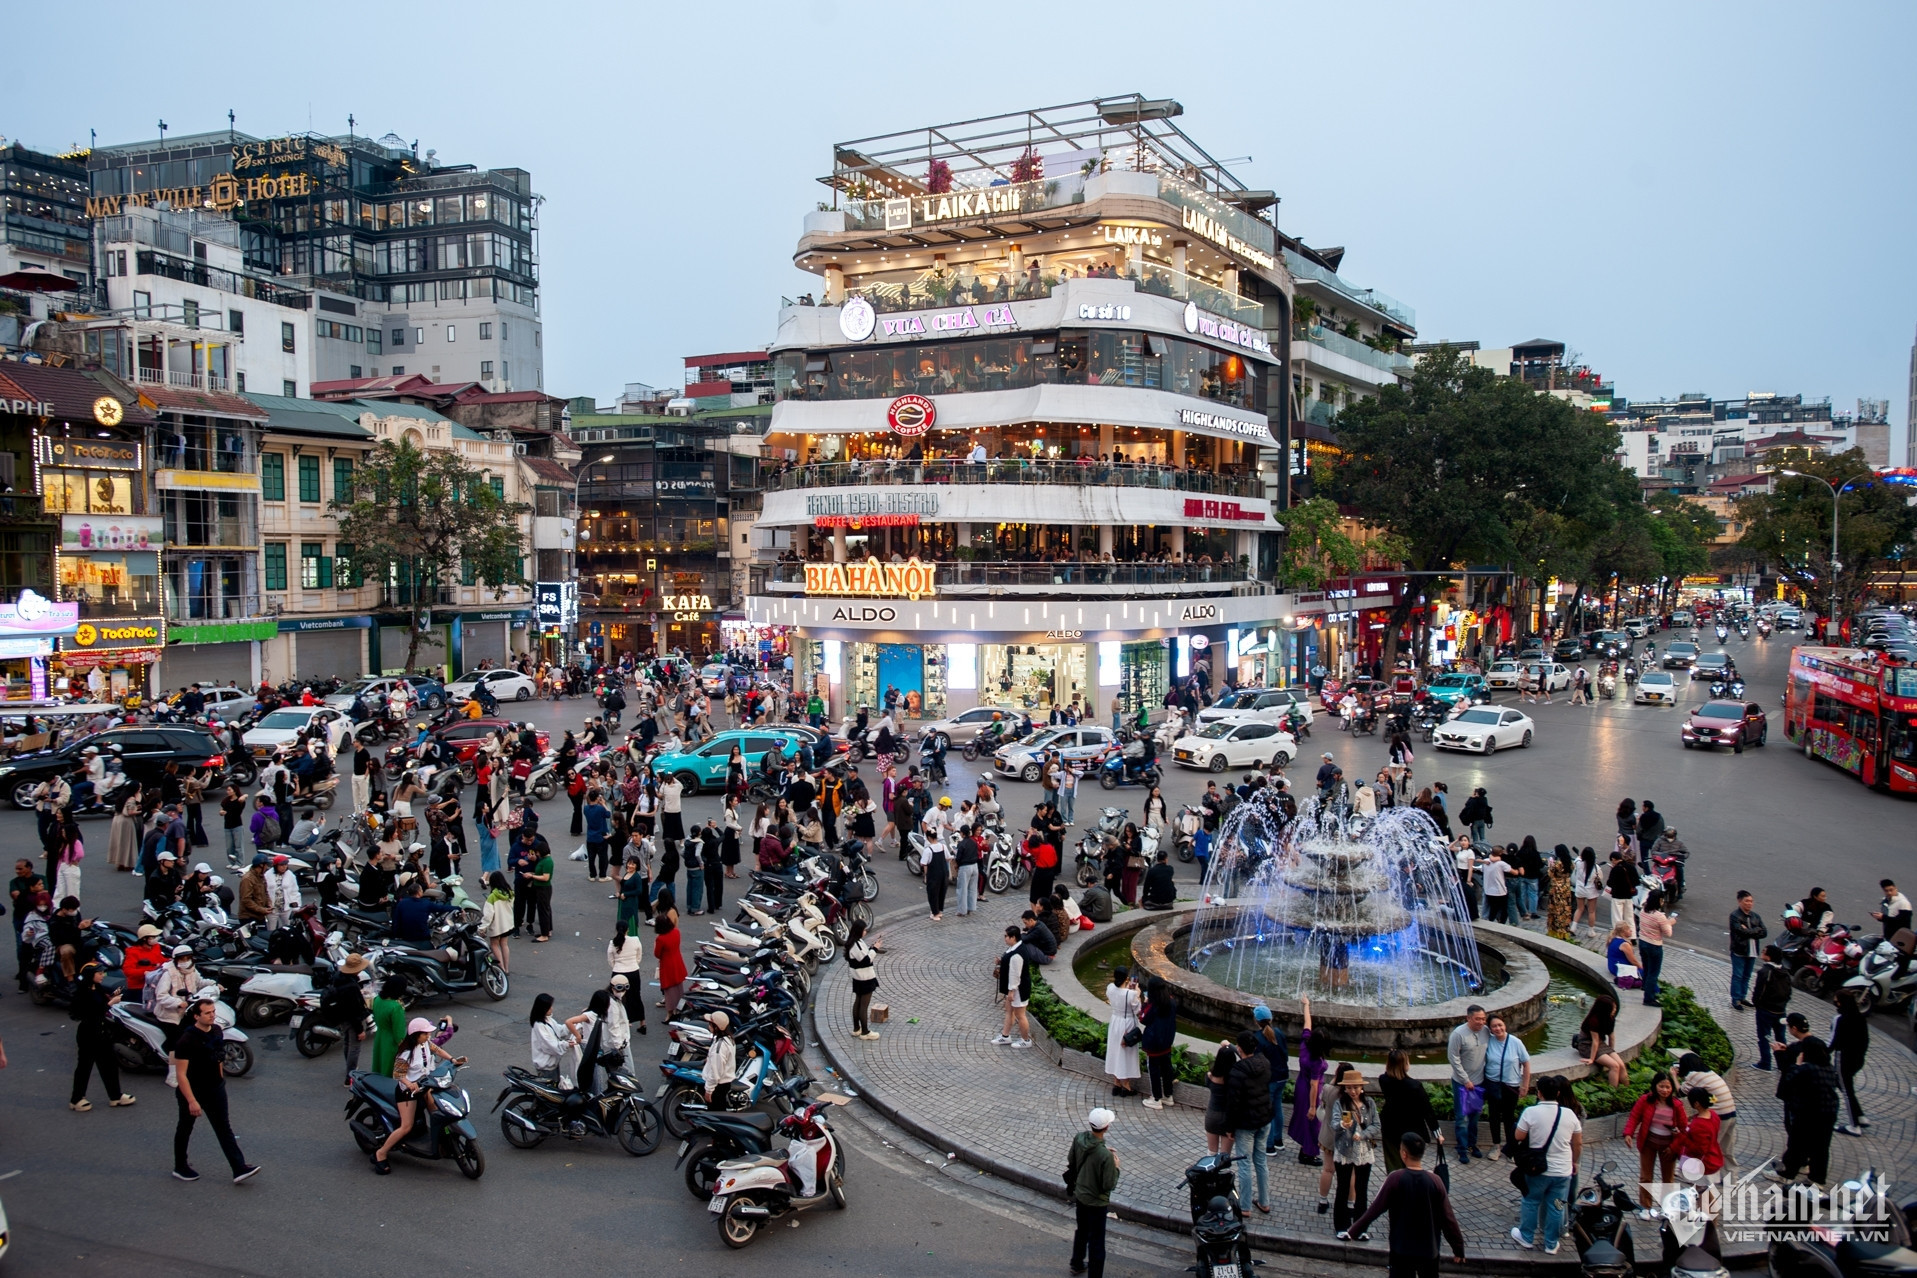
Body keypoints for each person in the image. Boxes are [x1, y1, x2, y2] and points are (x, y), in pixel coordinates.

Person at [1340, 1132, 1467, 1273]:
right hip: (1429, 1249)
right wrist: (1458, 1248)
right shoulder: (1435, 1181)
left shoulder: (1395, 1179)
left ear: (1404, 1154)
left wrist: (1353, 1231)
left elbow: (1374, 1210)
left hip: (1401, 1249)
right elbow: (1448, 1219)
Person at [169, 997, 260, 1183]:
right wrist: (192, 1101)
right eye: (207, 1013)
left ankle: (238, 1167)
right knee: (185, 1128)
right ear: (196, 1016)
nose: (212, 1016)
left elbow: (218, 1057)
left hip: (215, 1089)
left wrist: (220, 1080)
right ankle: (180, 1166)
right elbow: (181, 1075)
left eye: (213, 1012)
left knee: (223, 1127)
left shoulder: (217, 1031)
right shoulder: (186, 1040)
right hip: (193, 1091)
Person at [372, 1016, 464, 1173]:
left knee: (439, 1115)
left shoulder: (426, 1043)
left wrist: (453, 1059)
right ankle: (380, 1153)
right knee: (406, 1127)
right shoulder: (406, 1053)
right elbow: (398, 1074)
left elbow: (437, 1049)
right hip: (408, 1093)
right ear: (416, 1034)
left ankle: (443, 1144)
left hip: (426, 1086)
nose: (429, 1036)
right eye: (425, 1034)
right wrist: (410, 1084)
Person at [1509, 1075, 1581, 1254]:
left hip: (1537, 1169)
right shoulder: (1569, 1114)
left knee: (1531, 1201)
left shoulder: (1530, 1112)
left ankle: (1526, 1237)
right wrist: (1575, 1162)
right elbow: (1578, 1142)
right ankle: (1551, 1243)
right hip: (1563, 1171)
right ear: (1557, 1093)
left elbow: (1518, 1136)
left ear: (1539, 1093)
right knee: (1557, 1205)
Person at [1770, 1038, 1840, 1188]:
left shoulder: (1807, 1069)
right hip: (1829, 1113)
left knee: (1797, 1145)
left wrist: (1796, 1063)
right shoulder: (1828, 1067)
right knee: (1821, 1149)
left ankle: (1787, 1174)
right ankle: (1817, 1179)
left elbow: (1789, 1078)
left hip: (1808, 1114)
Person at [68, 963, 136, 1112]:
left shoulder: (97, 988)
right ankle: (77, 1098)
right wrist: (111, 1003)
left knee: (109, 1065)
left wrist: (111, 998)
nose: (102, 975)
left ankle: (115, 1096)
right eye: (99, 973)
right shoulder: (82, 993)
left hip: (102, 1032)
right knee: (85, 1067)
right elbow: (91, 1012)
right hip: (88, 1034)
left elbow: (100, 1004)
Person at [1622, 1072, 1689, 1217]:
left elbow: (1684, 1129)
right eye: (1661, 1086)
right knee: (1646, 1177)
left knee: (1668, 1179)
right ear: (1655, 1086)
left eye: (1668, 1087)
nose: (1665, 1090)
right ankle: (1645, 1206)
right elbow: (1634, 1116)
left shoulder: (1677, 1105)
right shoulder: (1645, 1101)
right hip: (1648, 1144)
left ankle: (1667, 1207)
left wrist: (1674, 1147)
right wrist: (1628, 1133)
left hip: (1668, 1147)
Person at [1066, 1107, 1120, 1278]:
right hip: (1097, 1203)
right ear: (1106, 1127)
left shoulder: (1079, 1138)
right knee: (1097, 1242)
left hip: (1081, 1194)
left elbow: (1071, 1160)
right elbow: (1108, 1185)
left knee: (1081, 1230)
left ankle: (1077, 1263)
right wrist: (1116, 1168)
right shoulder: (1105, 1156)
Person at [1329, 1066, 1381, 1236]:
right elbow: (1334, 1124)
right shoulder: (1340, 1103)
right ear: (1344, 1088)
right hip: (1344, 1150)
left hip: (1364, 1151)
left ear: (1362, 1087)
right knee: (1343, 1189)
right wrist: (1343, 1125)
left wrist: (1363, 1134)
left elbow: (1376, 1125)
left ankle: (1361, 1228)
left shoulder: (1369, 1103)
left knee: (1362, 1189)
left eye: (1355, 1087)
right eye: (1349, 1088)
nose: (1353, 1091)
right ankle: (1341, 1227)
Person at [1228, 1030, 1275, 1213]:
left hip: (1246, 1124)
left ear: (1239, 1048)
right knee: (1261, 1161)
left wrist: (1229, 1128)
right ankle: (1264, 1202)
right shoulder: (1264, 1063)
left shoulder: (1237, 1071)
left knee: (1245, 1164)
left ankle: (1245, 1206)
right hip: (1264, 1119)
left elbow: (1233, 1103)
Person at [1378, 1048, 1438, 1174]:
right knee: (1411, 1164)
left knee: (1393, 1163)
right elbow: (1427, 1110)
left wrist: (1393, 1056)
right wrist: (1437, 1133)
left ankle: (1394, 1185)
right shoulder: (1414, 1086)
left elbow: (1387, 1074)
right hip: (1411, 1130)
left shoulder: (1383, 1080)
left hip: (1390, 1127)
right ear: (1405, 1064)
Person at [1482, 1013, 1531, 1158]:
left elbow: (1526, 1063)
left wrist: (1525, 1085)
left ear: (1505, 1025)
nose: (1498, 1028)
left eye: (1500, 1025)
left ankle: (1511, 1148)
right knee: (1494, 1116)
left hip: (1511, 1085)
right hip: (1493, 1084)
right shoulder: (1489, 1041)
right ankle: (1496, 1146)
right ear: (1490, 1029)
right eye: (1494, 1026)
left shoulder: (1515, 1042)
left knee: (1509, 1117)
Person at [320, 953, 372, 1082]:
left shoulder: (338, 978)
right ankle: (350, 1076)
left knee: (347, 1043)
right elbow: (354, 1010)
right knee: (355, 1046)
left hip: (341, 1016)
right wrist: (360, 1029)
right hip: (352, 1019)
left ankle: (350, 1068)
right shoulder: (351, 987)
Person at [1446, 1004, 1489, 1161]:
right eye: (1477, 1019)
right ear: (1468, 1018)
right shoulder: (1458, 1034)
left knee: (1475, 1116)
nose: (1481, 1022)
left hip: (1479, 1082)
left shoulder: (1486, 1031)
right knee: (1462, 1117)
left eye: (1483, 1019)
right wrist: (1465, 1080)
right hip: (1462, 1083)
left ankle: (1472, 1144)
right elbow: (1453, 1058)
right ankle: (1462, 1148)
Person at [1288, 996, 1327, 1165]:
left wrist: (1307, 1005)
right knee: (1312, 1122)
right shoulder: (1316, 1061)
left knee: (1304, 1120)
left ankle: (1305, 1150)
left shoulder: (1305, 1044)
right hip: (1310, 1091)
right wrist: (1313, 1106)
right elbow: (1314, 1084)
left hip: (1300, 1085)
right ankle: (1308, 1154)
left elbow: (1307, 1023)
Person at [1830, 989, 1870, 1136]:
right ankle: (1860, 1116)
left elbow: (1833, 1041)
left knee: (1846, 1090)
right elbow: (1866, 1040)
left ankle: (1854, 1125)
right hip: (1858, 1058)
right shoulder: (1860, 1017)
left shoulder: (1840, 1019)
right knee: (1843, 1085)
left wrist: (1822, 1053)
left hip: (1844, 1059)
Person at [1750, 944, 1792, 1069]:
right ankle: (1782, 1063)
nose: (1762, 953)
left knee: (1765, 1037)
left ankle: (1765, 1062)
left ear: (1769, 957)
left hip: (1766, 1011)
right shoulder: (1784, 972)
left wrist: (1757, 1003)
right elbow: (1789, 992)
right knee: (1780, 1037)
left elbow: (1759, 992)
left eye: (1764, 952)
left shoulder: (1765, 972)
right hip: (1781, 1011)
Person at [1139, 976, 1178, 1108]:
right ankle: (1168, 1095)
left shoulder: (1153, 1005)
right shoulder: (1171, 1002)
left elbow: (1143, 1018)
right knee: (1166, 1068)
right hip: (1167, 1041)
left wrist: (1145, 1003)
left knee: (1154, 1070)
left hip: (1154, 1043)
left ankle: (1156, 1099)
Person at [994, 925, 1034, 1048]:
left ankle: (1026, 1040)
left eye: (1006, 936)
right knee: (1009, 1011)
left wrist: (1011, 992)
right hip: (1015, 988)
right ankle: (1005, 1036)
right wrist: (1001, 961)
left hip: (1018, 990)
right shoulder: (1015, 948)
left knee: (1020, 1015)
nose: (1005, 938)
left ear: (1013, 937)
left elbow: (1015, 975)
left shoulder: (1017, 954)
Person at [1728, 890, 1766, 1009]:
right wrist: (1755, 930)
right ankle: (1736, 999)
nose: (1749, 903)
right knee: (1738, 976)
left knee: (1747, 976)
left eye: (1751, 901)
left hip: (1752, 951)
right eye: (1747, 901)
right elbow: (1740, 931)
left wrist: (1749, 931)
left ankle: (1743, 997)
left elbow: (1764, 932)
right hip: (1739, 951)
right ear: (1740, 902)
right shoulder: (1735, 916)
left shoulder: (1755, 916)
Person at [1578, 995, 1627, 1086]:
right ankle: (1613, 1092)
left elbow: (1611, 1036)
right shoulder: (1593, 1020)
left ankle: (1627, 1089)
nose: (1615, 1009)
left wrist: (1611, 1051)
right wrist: (1592, 1059)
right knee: (1614, 1066)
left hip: (1600, 1043)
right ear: (1605, 1010)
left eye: (1615, 1007)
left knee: (1621, 1065)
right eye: (1613, 1008)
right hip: (1587, 1044)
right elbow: (1595, 1041)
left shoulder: (1610, 1018)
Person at [845, 918, 880, 1040]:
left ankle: (856, 1028)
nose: (866, 932)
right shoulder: (856, 945)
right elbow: (865, 960)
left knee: (858, 1002)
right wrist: (875, 949)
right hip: (865, 978)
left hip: (857, 977)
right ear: (859, 930)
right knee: (863, 1005)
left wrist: (871, 948)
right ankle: (865, 1032)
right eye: (864, 930)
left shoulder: (853, 942)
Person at [369, 974, 409, 1078]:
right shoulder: (396, 1007)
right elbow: (399, 1033)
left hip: (380, 1037)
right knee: (389, 1069)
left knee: (379, 1064)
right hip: (391, 1042)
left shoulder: (377, 999)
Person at [653, 905, 687, 1016]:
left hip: (667, 965)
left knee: (668, 991)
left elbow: (657, 954)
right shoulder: (676, 932)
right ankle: (680, 1008)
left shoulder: (660, 939)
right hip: (677, 961)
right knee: (678, 987)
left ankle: (670, 1013)